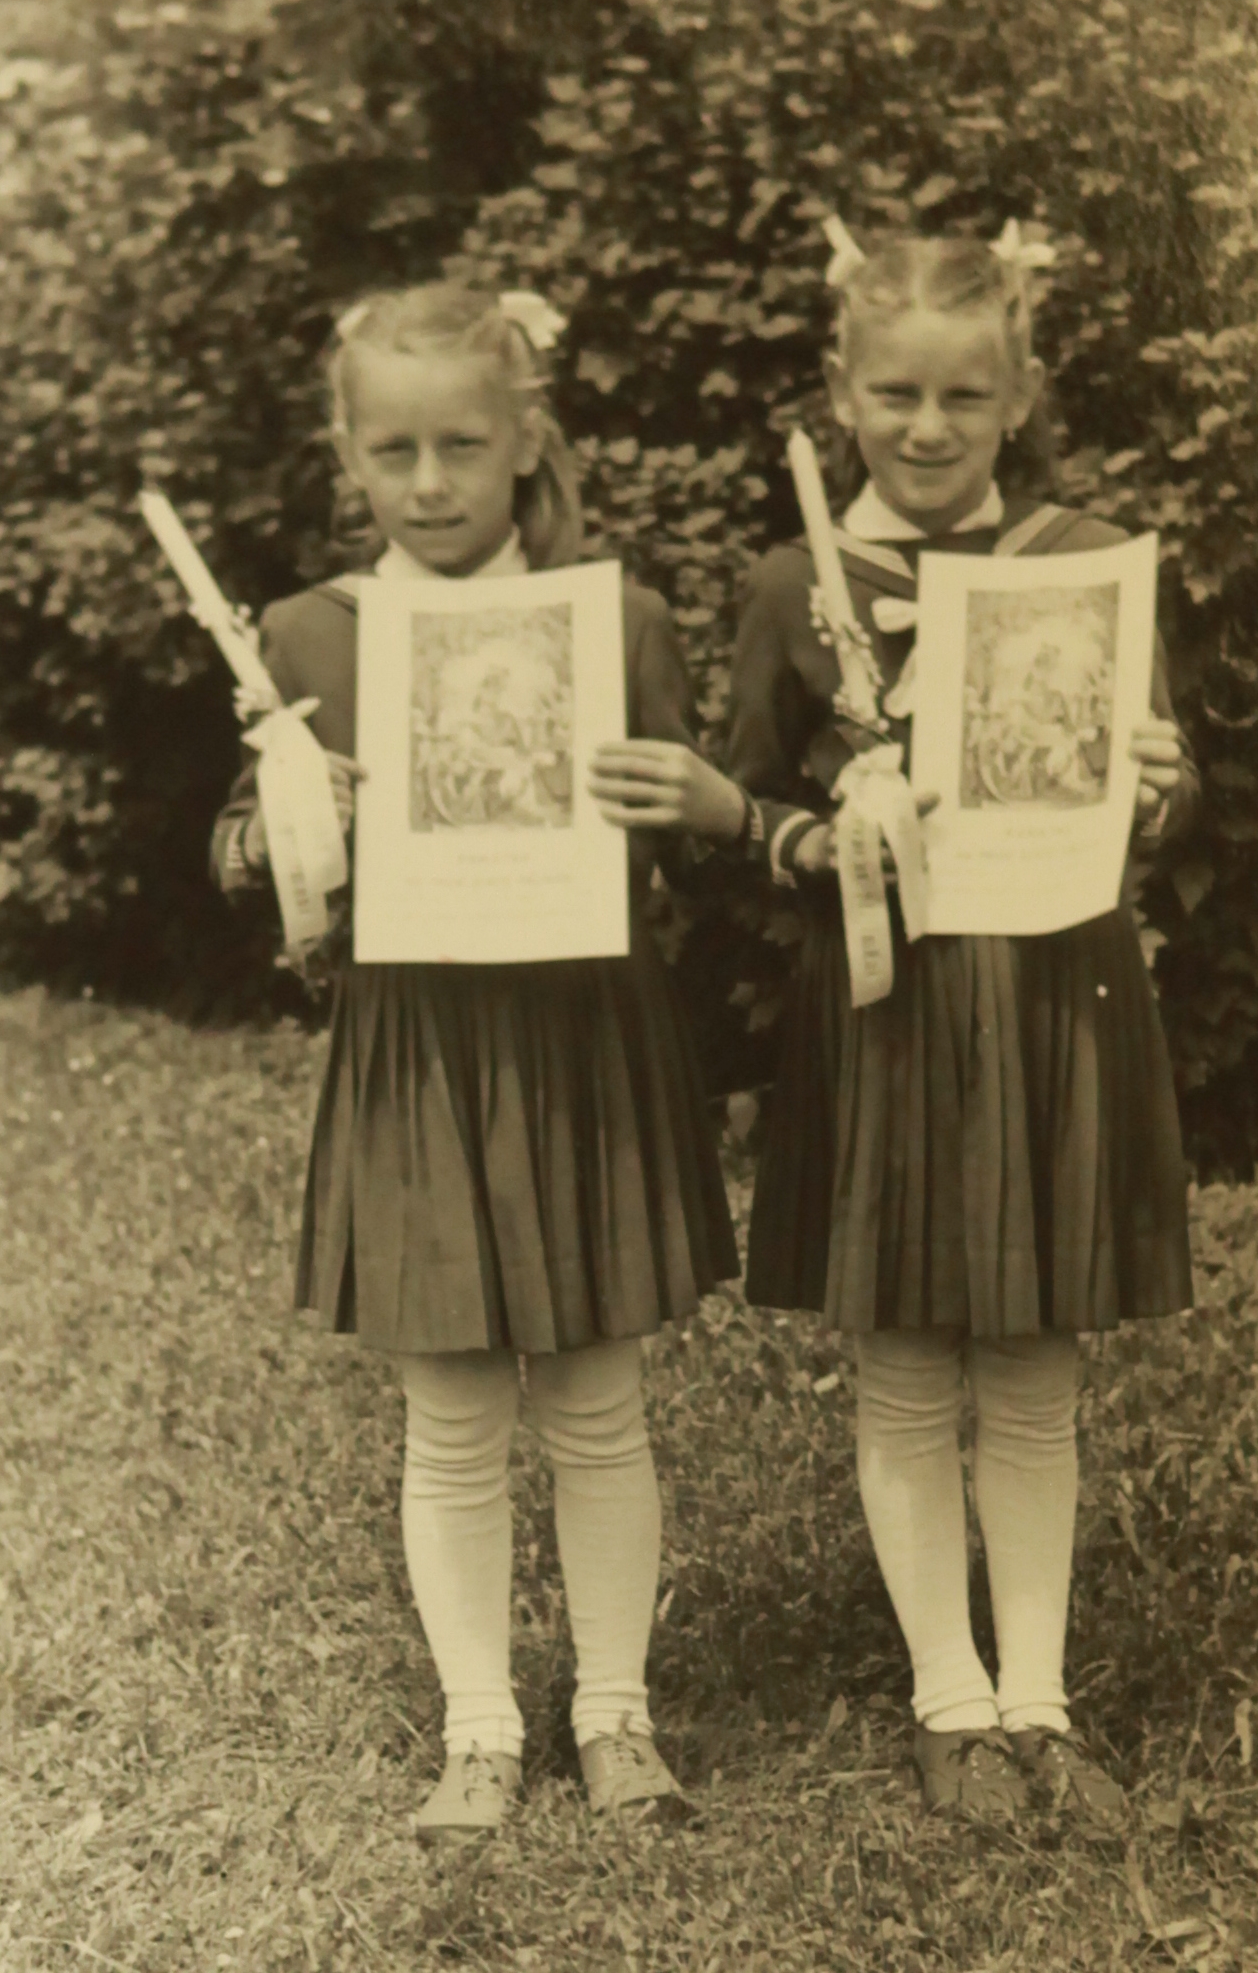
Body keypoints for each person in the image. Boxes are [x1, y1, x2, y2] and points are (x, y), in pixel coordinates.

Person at [592, 222, 1197, 1826]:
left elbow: (1153, 800)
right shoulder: (791, 585)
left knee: (1036, 1356)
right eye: (895, 395)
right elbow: (736, 818)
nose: (927, 429)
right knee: (908, 1360)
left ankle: (1040, 1702)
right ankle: (949, 1700)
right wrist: (806, 830)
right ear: (840, 393)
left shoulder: (1084, 560)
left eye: (963, 397)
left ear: (1018, 398)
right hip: (889, 1014)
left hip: (1051, 1001)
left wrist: (1161, 783)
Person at [210, 278, 740, 1845]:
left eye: (460, 445)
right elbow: (242, 860)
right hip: (421, 1053)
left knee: (595, 1403)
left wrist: (685, 802)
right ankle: (479, 1728)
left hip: (579, 1041)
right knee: (449, 1414)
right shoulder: (309, 633)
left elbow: (692, 852)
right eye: (393, 451)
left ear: (524, 440)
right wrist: (295, 821)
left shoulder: (614, 622)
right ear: (346, 457)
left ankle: (617, 1716)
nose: (428, 483)